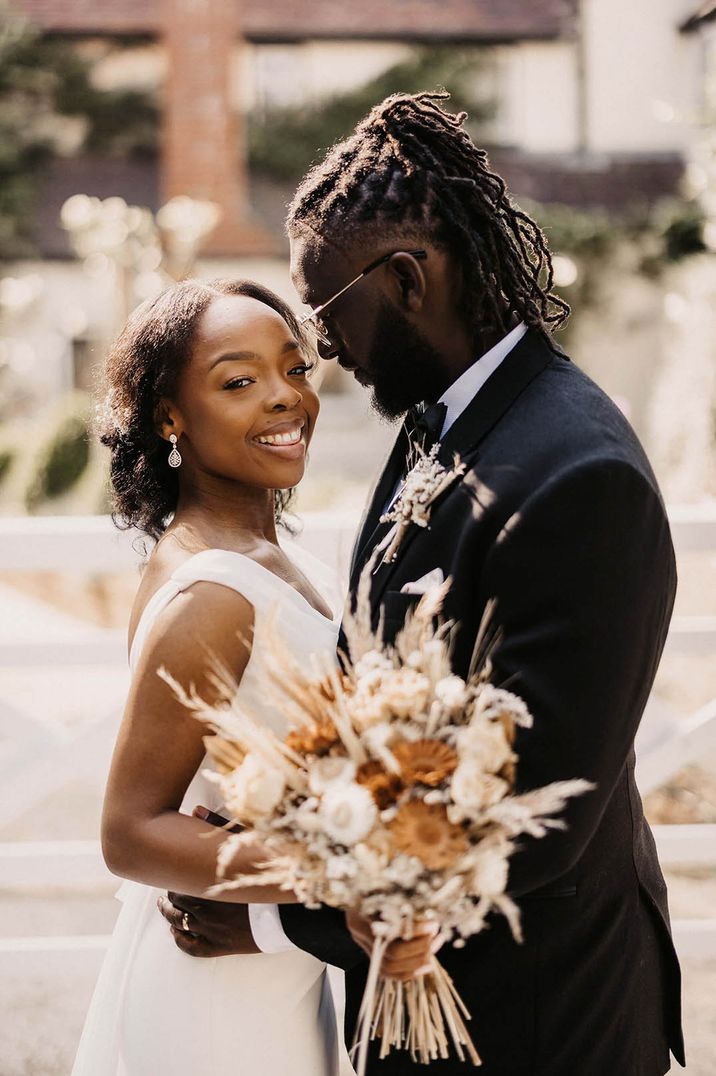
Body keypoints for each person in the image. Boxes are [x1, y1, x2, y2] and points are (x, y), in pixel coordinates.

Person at [162, 93, 686, 1075]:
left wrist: (275, 923)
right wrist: (287, 816)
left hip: (539, 1021)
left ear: (404, 278)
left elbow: (536, 823)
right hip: (428, 1004)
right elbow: (384, 690)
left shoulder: (580, 475)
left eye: (325, 314)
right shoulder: (436, 420)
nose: (325, 352)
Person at [73, 277, 432, 1076]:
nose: (284, 399)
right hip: (212, 997)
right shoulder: (211, 594)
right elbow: (129, 831)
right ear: (170, 417)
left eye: (295, 370)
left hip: (277, 970)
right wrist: (351, 868)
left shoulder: (271, 555)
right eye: (239, 382)